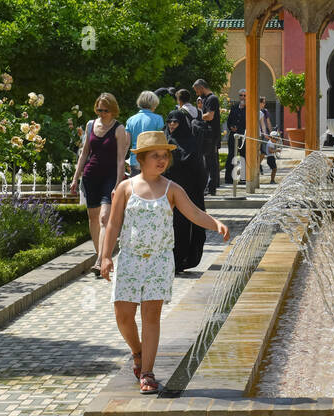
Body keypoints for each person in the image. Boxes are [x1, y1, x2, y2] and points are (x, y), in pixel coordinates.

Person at [99, 130, 230, 393]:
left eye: (165, 156)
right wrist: (104, 256)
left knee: (151, 315)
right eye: (155, 156)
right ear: (141, 159)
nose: (161, 160)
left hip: (159, 262)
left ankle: (147, 372)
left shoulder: (172, 189)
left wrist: (215, 223)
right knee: (123, 315)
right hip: (130, 260)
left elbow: (193, 212)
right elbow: (113, 224)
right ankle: (137, 352)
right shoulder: (126, 188)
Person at [70, 93, 130, 276]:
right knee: (93, 218)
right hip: (91, 176)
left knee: (105, 218)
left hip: (110, 177)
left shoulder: (119, 129)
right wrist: (75, 178)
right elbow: (84, 153)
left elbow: (121, 160)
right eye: (99, 109)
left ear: (113, 110)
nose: (102, 113)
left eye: (105, 110)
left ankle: (99, 260)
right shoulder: (90, 125)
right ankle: (100, 254)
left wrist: (118, 184)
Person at [164, 91, 208, 274]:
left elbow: (199, 169)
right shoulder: (164, 140)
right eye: (169, 122)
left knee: (183, 227)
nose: (172, 125)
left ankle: (180, 261)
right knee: (169, 227)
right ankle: (168, 262)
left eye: (176, 122)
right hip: (166, 194)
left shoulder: (191, 143)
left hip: (188, 192)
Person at [125, 91, 165, 175]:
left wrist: (122, 161)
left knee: (135, 187)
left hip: (135, 160)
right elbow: (161, 142)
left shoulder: (131, 120)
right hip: (153, 160)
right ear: (153, 103)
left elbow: (126, 143)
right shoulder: (158, 119)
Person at [193, 79, 221, 196]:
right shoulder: (205, 99)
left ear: (201, 88)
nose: (197, 93)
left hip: (211, 136)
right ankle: (208, 187)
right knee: (207, 163)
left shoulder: (212, 99)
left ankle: (211, 188)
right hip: (206, 135)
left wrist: (196, 117)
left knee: (211, 163)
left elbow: (210, 116)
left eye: (197, 91)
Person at [225, 88, 247, 186]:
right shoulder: (234, 108)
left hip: (243, 136)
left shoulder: (249, 109)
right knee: (231, 156)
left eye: (244, 95)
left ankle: (243, 179)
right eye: (241, 95)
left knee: (243, 157)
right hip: (233, 136)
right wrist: (231, 127)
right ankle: (229, 178)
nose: (242, 97)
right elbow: (229, 121)